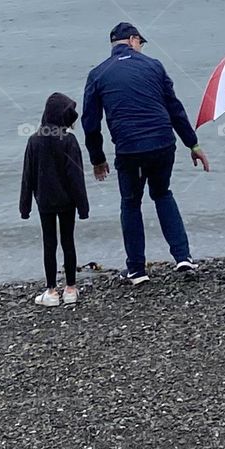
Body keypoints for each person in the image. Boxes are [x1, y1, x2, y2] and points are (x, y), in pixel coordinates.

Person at [82, 22, 210, 285]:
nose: (141, 47)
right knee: (162, 193)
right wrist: (192, 144)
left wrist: (97, 159)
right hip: (164, 144)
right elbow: (175, 107)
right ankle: (183, 257)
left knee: (131, 203)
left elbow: (90, 123)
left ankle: (137, 269)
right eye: (141, 42)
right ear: (132, 40)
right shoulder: (154, 66)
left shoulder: (98, 74)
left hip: (129, 149)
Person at [20, 92, 90, 307]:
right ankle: (70, 288)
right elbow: (75, 175)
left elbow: (27, 176)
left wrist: (25, 207)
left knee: (49, 243)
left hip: (45, 201)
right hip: (67, 200)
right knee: (68, 241)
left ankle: (51, 291)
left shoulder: (34, 140)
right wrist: (83, 206)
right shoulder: (69, 140)